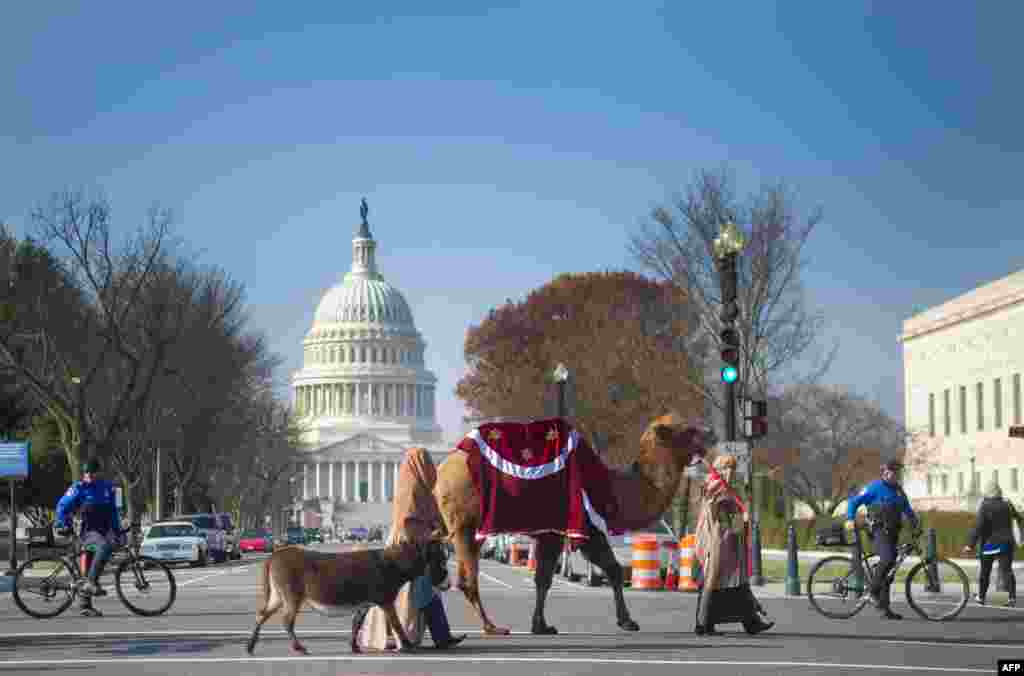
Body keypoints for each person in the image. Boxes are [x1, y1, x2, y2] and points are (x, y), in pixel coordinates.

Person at [351, 447, 466, 652]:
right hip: (410, 551)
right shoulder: (414, 490)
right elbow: (410, 523)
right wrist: (432, 533)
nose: (431, 467)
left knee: (409, 595)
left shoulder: (413, 486)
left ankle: (436, 636)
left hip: (410, 548)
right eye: (426, 462)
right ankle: (428, 637)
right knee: (417, 595)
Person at [693, 454, 774, 636]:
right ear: (719, 468)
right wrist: (738, 521)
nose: (730, 472)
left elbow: (733, 517)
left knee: (737, 583)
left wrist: (741, 520)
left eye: (733, 468)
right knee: (715, 583)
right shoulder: (715, 487)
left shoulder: (724, 488)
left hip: (728, 541)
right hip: (718, 542)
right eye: (727, 468)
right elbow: (715, 515)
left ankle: (750, 622)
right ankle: (704, 623)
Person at [845, 458, 921, 620]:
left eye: (895, 472)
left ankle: (884, 608)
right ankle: (872, 591)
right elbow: (854, 501)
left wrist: (915, 523)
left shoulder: (899, 491)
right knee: (888, 558)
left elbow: (907, 510)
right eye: (889, 472)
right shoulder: (874, 487)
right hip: (877, 530)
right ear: (884, 473)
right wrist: (850, 518)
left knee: (889, 570)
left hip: (893, 532)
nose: (892, 475)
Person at [55, 458, 123, 617]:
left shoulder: (107, 488)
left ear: (99, 472)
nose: (89, 475)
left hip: (102, 532)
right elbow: (62, 506)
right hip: (86, 532)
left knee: (92, 567)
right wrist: (62, 523)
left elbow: (113, 512)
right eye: (86, 472)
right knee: (104, 547)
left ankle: (85, 605)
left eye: (92, 472)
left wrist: (117, 530)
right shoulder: (79, 488)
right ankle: (90, 583)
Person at [963, 480, 1024, 607]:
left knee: (985, 571)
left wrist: (970, 544)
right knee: (1007, 571)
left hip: (990, 544)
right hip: (1006, 543)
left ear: (987, 492)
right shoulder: (1008, 504)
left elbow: (978, 527)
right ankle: (1012, 598)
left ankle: (981, 596)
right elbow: (1019, 519)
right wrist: (1021, 536)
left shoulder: (985, 505)